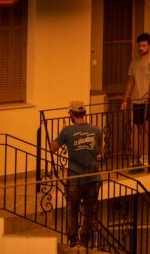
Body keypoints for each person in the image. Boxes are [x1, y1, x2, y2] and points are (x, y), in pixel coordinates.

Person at [50, 100, 105, 251]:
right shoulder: (97, 130)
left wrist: (60, 138)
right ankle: (85, 242)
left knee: (72, 209)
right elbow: (100, 151)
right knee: (89, 212)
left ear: (72, 115)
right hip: (94, 179)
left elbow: (53, 148)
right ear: (84, 114)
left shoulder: (67, 131)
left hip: (75, 179)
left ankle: (72, 242)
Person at [121, 32, 150, 168]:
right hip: (136, 100)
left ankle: (146, 156)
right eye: (139, 46)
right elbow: (130, 81)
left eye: (144, 45)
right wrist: (125, 99)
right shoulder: (134, 63)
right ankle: (141, 155)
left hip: (149, 101)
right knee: (139, 129)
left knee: (147, 129)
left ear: (149, 46)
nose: (141, 48)